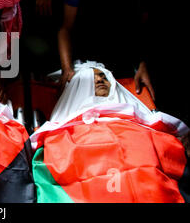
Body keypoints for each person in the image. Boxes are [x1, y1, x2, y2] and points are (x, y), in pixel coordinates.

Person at [30, 61, 190, 203]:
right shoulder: (63, 127)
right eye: (93, 79)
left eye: (103, 77)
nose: (100, 80)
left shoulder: (135, 116)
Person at [57, 0, 157, 99]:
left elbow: (146, 24)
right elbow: (66, 28)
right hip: (89, 36)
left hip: (127, 32)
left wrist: (143, 63)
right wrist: (66, 68)